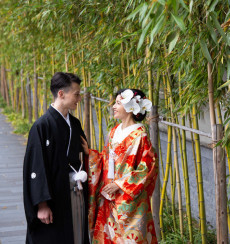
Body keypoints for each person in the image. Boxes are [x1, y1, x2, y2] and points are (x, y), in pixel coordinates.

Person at [82, 88, 158, 244]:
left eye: (118, 103)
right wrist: (89, 153)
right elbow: (104, 159)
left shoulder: (140, 135)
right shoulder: (114, 131)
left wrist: (120, 184)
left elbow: (147, 167)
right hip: (108, 195)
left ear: (130, 107)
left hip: (129, 199)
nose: (113, 107)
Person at [23, 72, 90, 244]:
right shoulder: (41, 126)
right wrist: (42, 204)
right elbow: (36, 167)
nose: (79, 98)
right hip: (53, 194)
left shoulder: (74, 124)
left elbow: (85, 155)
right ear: (61, 94)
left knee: (76, 235)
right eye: (76, 94)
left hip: (75, 190)